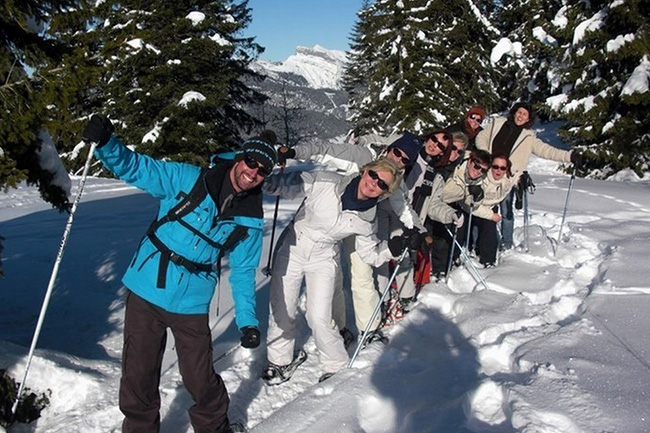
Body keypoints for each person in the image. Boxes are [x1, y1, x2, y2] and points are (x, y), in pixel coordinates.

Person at [82, 114, 276, 433]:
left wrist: (247, 322)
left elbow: (242, 274)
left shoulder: (249, 222)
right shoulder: (188, 179)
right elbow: (138, 167)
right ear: (239, 158)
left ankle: (215, 428)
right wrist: (106, 144)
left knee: (200, 379)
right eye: (250, 162)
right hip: (147, 287)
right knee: (138, 373)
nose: (252, 172)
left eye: (261, 170)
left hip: (191, 301)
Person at [262, 158, 420, 383]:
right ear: (365, 169)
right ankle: (279, 361)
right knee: (282, 308)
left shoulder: (367, 220)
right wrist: (266, 178)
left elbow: (371, 255)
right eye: (373, 175)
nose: (373, 183)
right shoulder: (326, 182)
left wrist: (393, 248)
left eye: (382, 184)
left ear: (385, 193)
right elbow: (289, 184)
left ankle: (335, 365)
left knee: (319, 316)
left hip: (323, 257)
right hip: (293, 249)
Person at [277, 132, 424, 343]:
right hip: (330, 217)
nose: (399, 159)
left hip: (361, 225)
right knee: (334, 277)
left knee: (362, 275)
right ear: (391, 147)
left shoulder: (396, 181)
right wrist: (294, 152)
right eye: (397, 152)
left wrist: (419, 231)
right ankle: (339, 328)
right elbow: (324, 151)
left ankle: (369, 329)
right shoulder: (363, 157)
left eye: (405, 159)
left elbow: (404, 210)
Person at [475, 102, 583, 249]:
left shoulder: (529, 137)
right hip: (489, 174)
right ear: (514, 112)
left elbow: (546, 150)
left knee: (506, 212)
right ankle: (484, 243)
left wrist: (569, 156)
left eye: (524, 114)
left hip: (508, 178)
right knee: (485, 211)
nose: (520, 116)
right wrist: (485, 155)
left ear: (528, 119)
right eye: (519, 112)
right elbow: (481, 137)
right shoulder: (497, 123)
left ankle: (506, 243)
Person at [442, 153, 515, 267]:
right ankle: (454, 256)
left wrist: (521, 180)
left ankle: (488, 260)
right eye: (495, 167)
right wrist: (490, 215)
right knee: (461, 228)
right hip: (469, 207)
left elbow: (518, 174)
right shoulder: (481, 177)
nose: (498, 171)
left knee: (489, 228)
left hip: (487, 208)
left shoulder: (507, 181)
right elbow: (468, 203)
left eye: (502, 168)